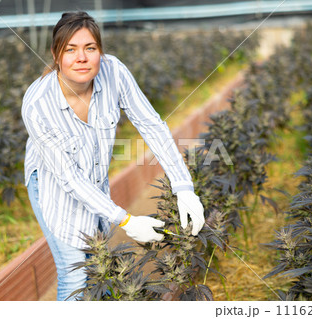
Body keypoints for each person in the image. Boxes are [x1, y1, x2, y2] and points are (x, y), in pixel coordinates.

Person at [22, 11, 204, 301]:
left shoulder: (114, 72)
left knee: (98, 265)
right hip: (51, 182)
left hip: (92, 177)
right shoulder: (37, 106)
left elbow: (151, 125)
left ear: (100, 52)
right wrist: (127, 221)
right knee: (75, 275)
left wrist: (184, 187)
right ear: (57, 55)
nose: (81, 57)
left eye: (89, 48)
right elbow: (68, 178)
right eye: (70, 49)